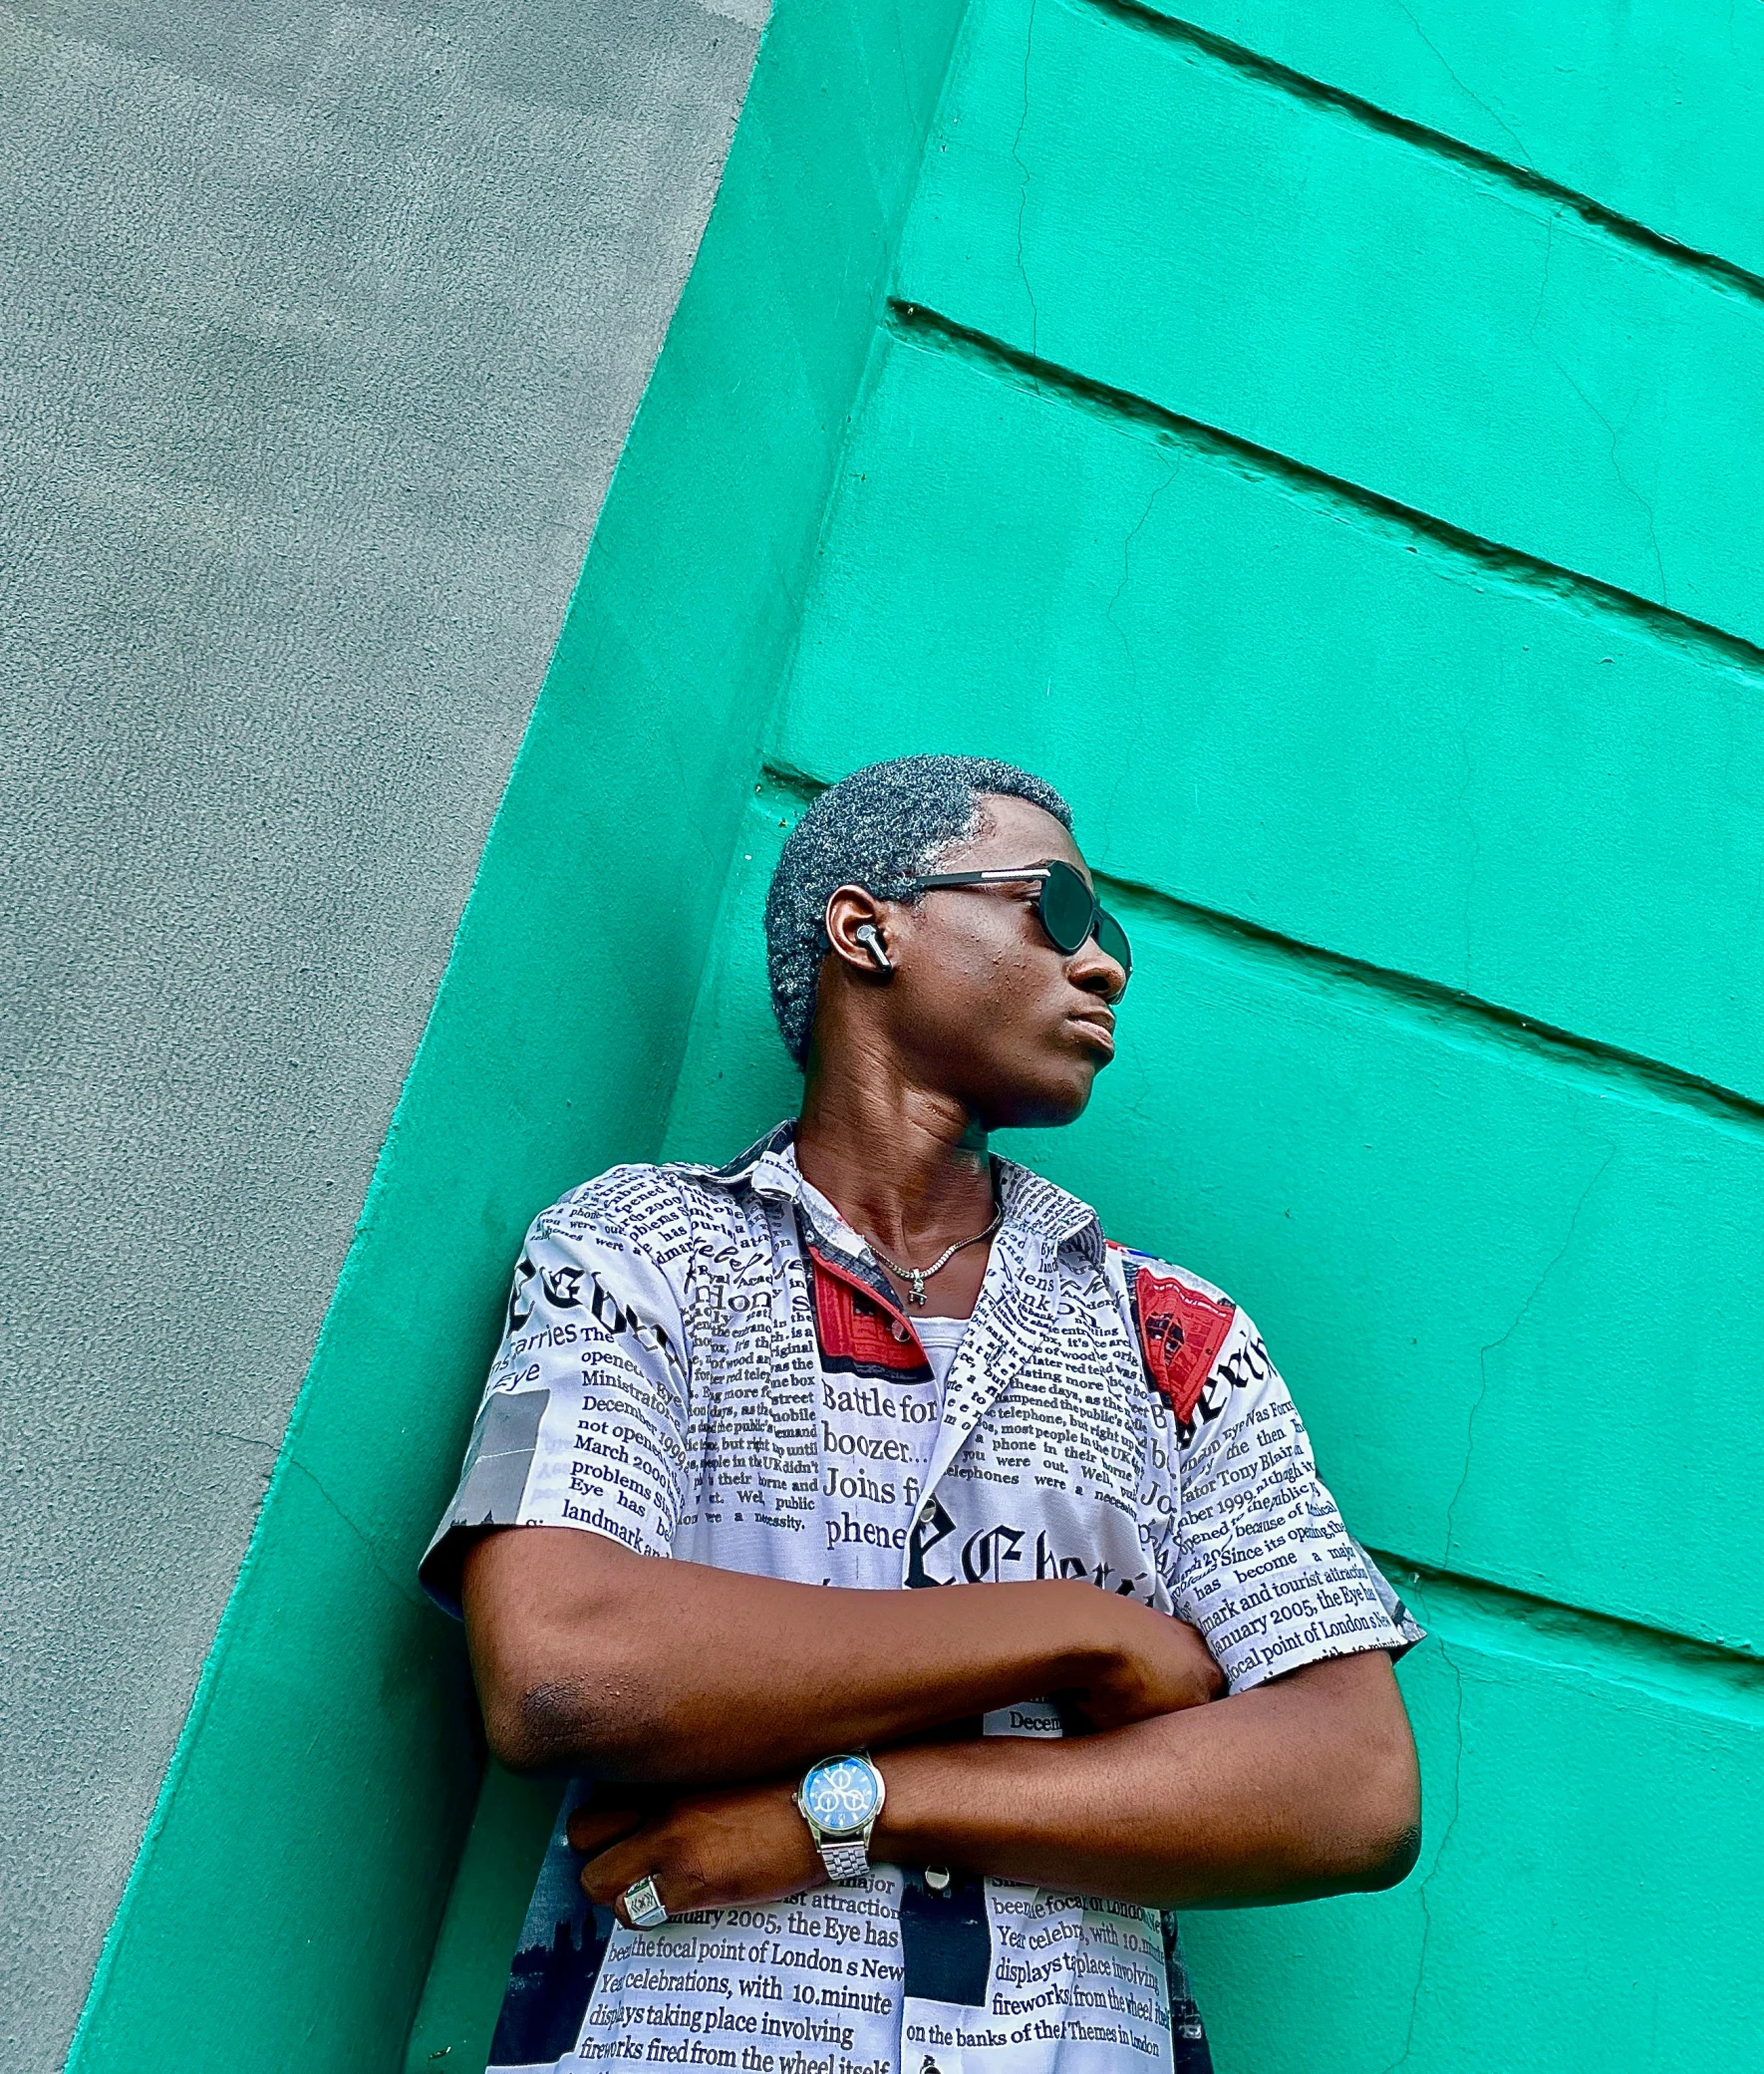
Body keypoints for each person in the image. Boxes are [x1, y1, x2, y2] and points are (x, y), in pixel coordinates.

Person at [422, 754, 1423, 2074]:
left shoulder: (1176, 1337)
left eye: (1109, 934)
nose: (1104, 965)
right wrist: (1074, 1631)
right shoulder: (641, 1249)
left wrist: (846, 1810)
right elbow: (564, 1669)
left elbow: (1350, 1788)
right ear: (867, 927)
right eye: (1053, 909)